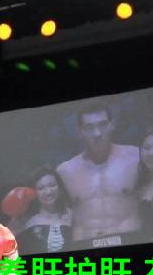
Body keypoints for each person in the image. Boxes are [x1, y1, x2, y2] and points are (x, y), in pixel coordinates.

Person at [56, 102, 141, 247]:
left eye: (102, 125)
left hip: (129, 240)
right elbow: (47, 211)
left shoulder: (136, 157)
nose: (97, 133)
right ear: (80, 131)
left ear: (112, 125)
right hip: (84, 246)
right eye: (89, 127)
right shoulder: (65, 171)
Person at [12, 166, 72, 254]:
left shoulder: (71, 214)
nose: (48, 192)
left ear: (60, 187)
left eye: (52, 185)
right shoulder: (25, 220)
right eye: (41, 188)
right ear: (33, 192)